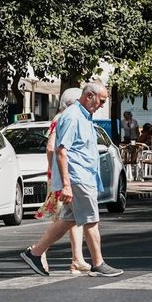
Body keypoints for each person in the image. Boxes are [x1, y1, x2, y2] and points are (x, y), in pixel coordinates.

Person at [20, 81, 123, 277]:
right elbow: (60, 150)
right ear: (89, 95)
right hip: (77, 178)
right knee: (92, 220)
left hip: (82, 177)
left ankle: (35, 253)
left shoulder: (84, 116)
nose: (102, 105)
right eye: (101, 101)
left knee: (68, 220)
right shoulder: (73, 116)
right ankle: (98, 263)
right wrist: (66, 184)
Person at [35, 87, 91, 275]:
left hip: (65, 176)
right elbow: (52, 148)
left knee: (72, 217)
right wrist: (57, 172)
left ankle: (77, 259)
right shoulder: (63, 118)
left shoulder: (66, 117)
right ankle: (39, 251)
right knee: (66, 217)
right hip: (63, 177)